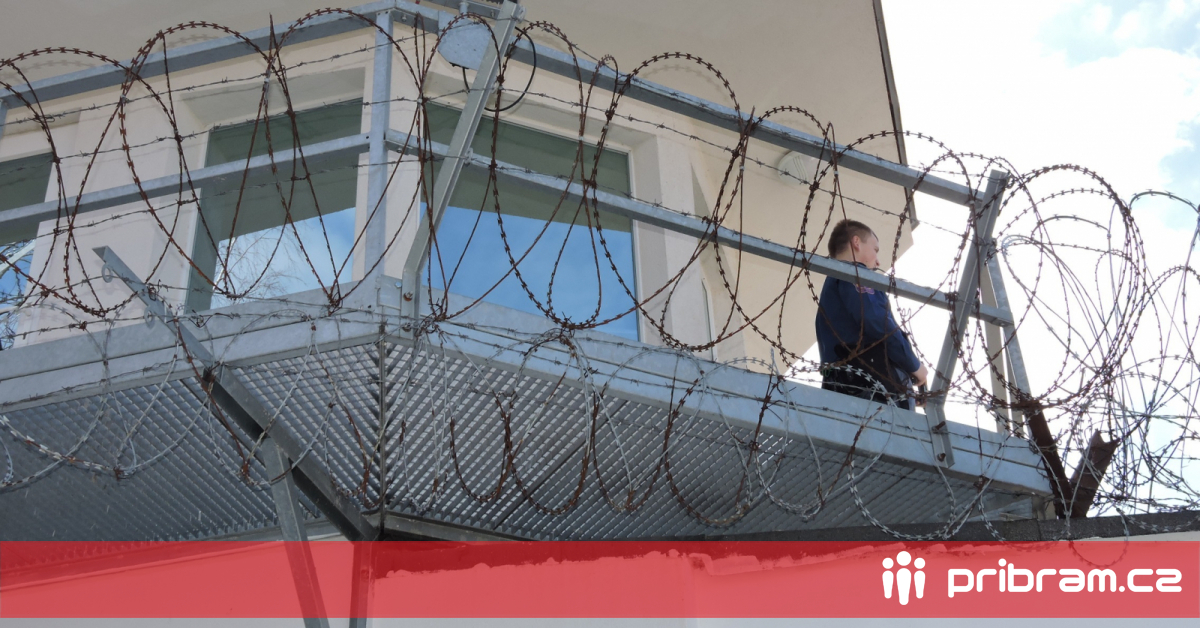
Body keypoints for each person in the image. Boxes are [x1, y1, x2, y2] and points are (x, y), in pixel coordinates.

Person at [815, 219, 929, 409]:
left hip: (844, 386)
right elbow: (876, 321)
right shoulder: (856, 274)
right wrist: (913, 365)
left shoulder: (832, 287)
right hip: (871, 386)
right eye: (875, 249)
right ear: (856, 242)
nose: (878, 262)